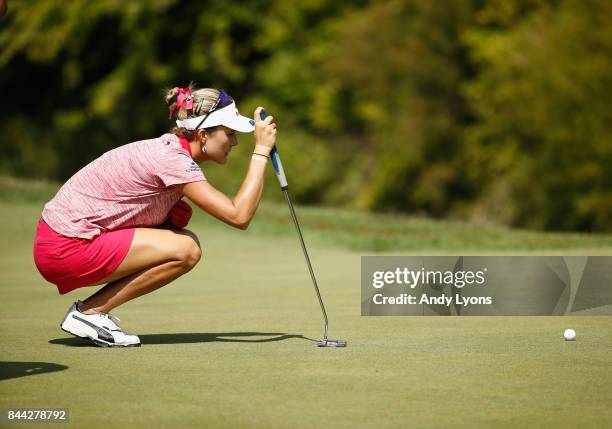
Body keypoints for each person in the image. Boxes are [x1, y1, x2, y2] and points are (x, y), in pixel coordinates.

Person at [33, 85, 277, 347]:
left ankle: (90, 313)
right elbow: (239, 216)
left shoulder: (169, 150)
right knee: (186, 248)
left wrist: (162, 219)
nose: (235, 142)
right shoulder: (174, 161)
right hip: (66, 247)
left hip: (61, 241)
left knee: (178, 235)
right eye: (229, 134)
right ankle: (89, 314)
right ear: (203, 135)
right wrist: (261, 151)